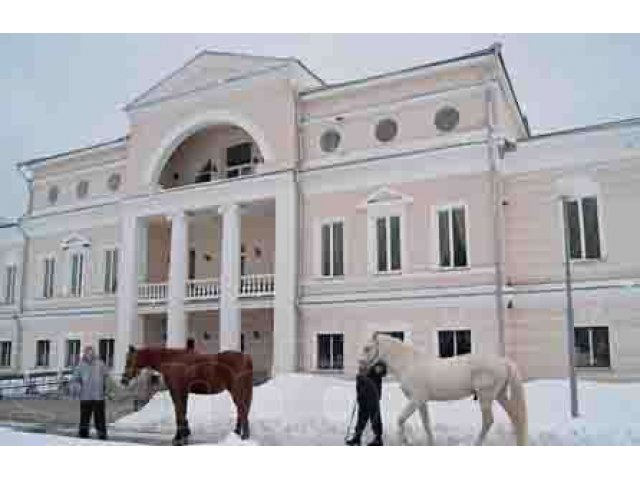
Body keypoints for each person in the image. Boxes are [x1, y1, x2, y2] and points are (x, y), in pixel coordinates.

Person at [72, 345, 111, 440]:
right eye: (88, 353)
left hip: (99, 396)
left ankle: (102, 433)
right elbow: (75, 379)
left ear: (94, 353)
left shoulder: (100, 364)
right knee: (84, 417)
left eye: (91, 353)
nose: (90, 354)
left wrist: (108, 390)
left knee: (100, 417)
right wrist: (77, 387)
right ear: (84, 354)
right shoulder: (80, 365)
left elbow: (107, 377)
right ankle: (83, 433)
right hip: (85, 396)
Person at [346, 359, 387, 446]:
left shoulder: (374, 370)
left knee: (375, 419)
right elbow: (359, 388)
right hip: (363, 400)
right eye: (360, 364)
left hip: (373, 399)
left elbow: (383, 370)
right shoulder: (360, 375)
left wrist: (379, 368)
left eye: (363, 364)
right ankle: (357, 438)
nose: (361, 366)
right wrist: (359, 397)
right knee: (361, 419)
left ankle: (378, 439)